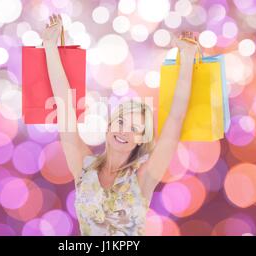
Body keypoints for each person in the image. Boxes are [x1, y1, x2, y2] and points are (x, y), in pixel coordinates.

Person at [42, 14, 198, 236]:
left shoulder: (144, 176)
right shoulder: (83, 167)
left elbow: (175, 118)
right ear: (109, 126)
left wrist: (188, 56)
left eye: (135, 129)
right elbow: (64, 107)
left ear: (142, 139)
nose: (124, 131)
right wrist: (49, 46)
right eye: (122, 122)